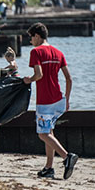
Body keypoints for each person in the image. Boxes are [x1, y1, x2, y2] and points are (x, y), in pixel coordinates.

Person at [22, 23, 77, 179]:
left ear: (37, 36)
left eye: (31, 37)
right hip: (58, 99)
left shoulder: (36, 52)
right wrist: (66, 99)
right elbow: (69, 78)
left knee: (43, 133)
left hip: (45, 101)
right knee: (49, 132)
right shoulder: (58, 53)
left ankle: (67, 157)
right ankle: (48, 168)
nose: (30, 41)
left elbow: (38, 75)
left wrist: (28, 80)